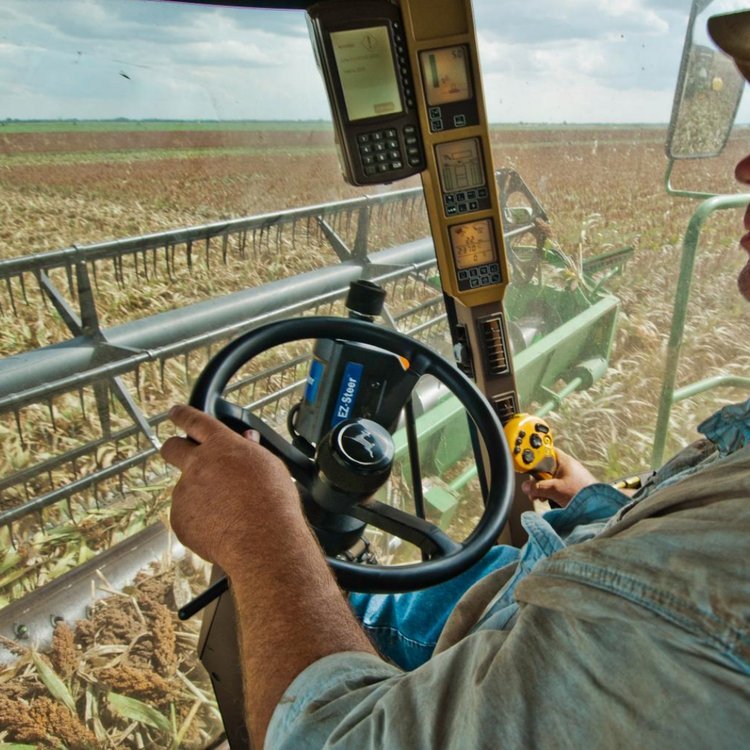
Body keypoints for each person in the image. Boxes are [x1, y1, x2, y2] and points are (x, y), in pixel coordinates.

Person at [161, 11, 750, 749]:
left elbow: (333, 740)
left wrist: (258, 531)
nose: (744, 170)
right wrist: (598, 503)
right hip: (525, 587)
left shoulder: (712, 594)